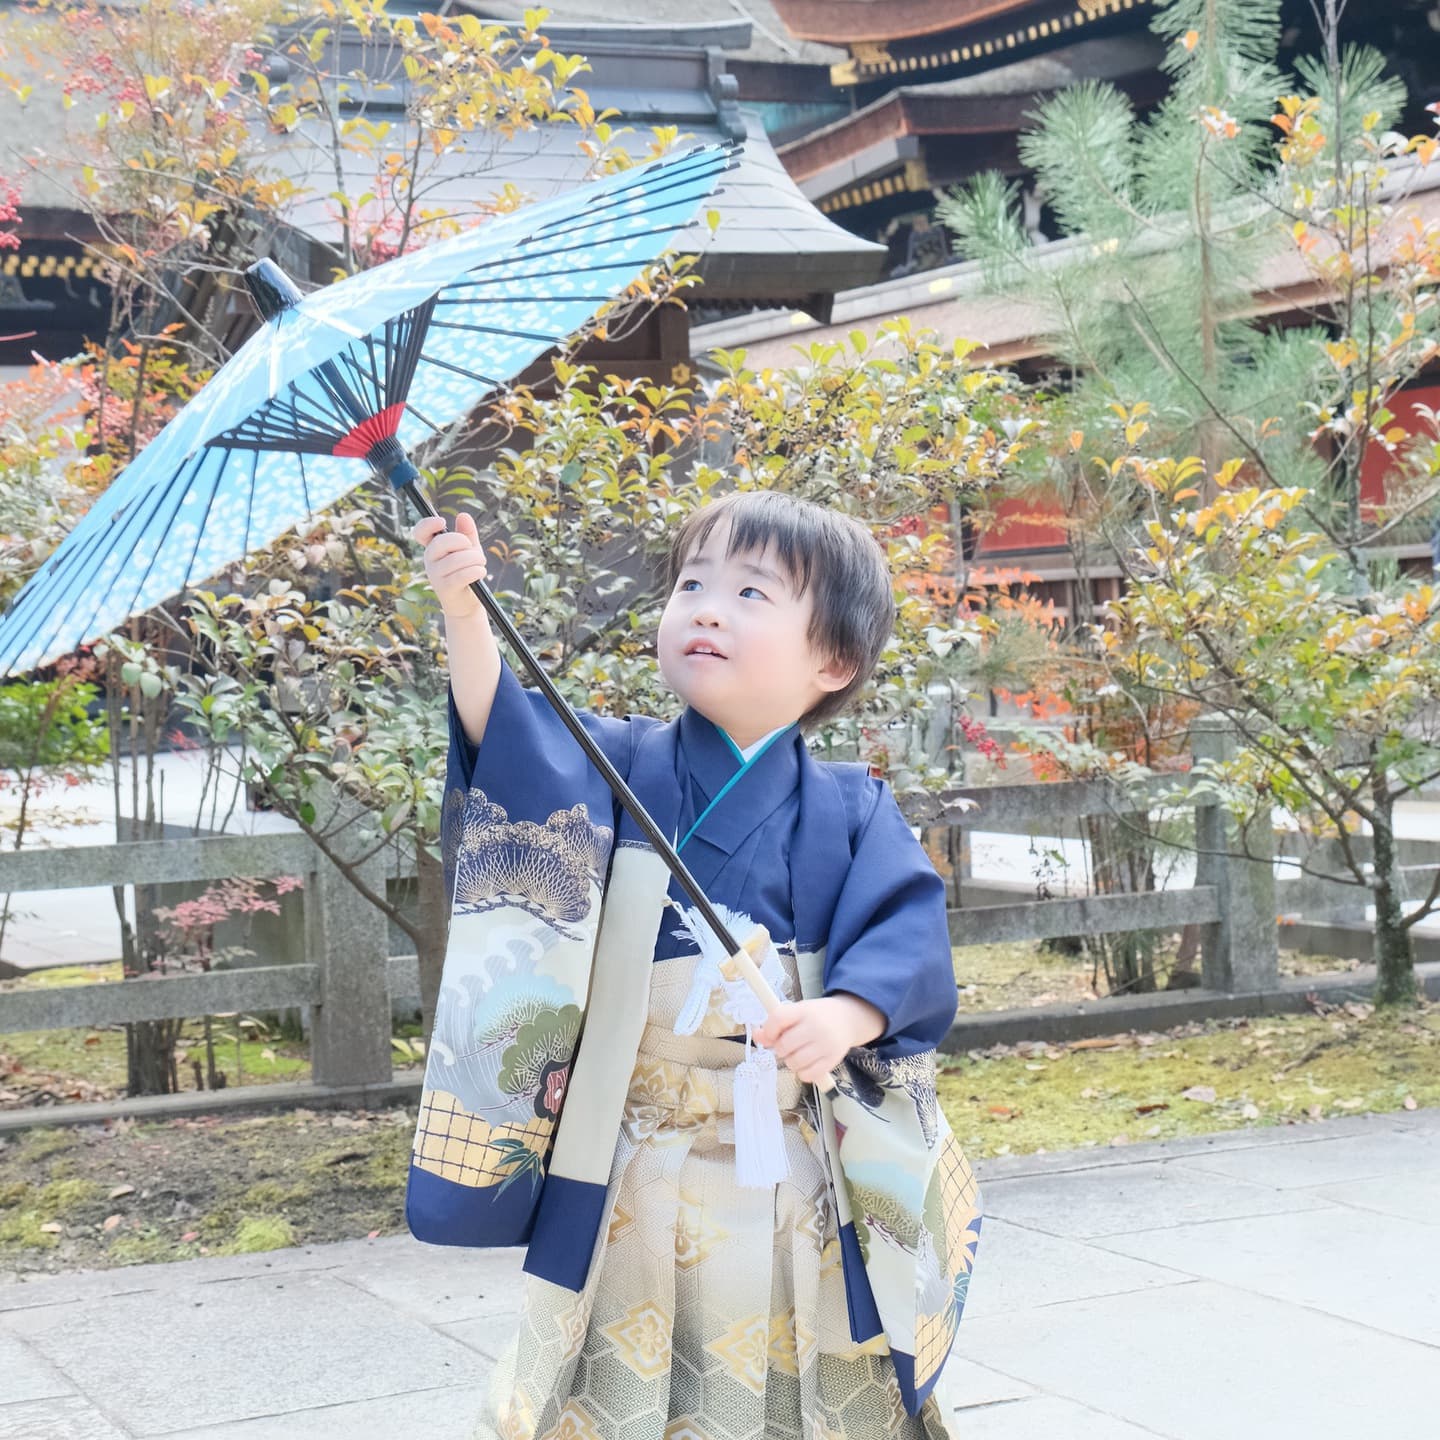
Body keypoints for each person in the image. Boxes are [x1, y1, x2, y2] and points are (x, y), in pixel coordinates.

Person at [410, 490, 981, 1440]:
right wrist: (468, 617)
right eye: (692, 584)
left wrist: (843, 1016)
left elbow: (906, 931)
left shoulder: (850, 807)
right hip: (638, 1151)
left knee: (810, 1363)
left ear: (833, 661)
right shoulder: (620, 762)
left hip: (794, 1156)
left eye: (752, 594)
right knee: (622, 1372)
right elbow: (511, 748)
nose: (706, 607)